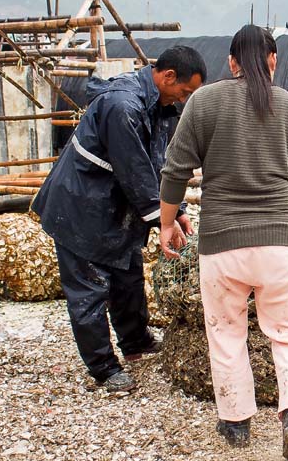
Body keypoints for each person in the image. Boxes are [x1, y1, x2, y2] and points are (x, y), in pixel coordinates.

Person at [158, 25, 288, 461]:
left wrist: (167, 224)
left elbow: (175, 171)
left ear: (230, 62)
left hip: (222, 241)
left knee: (226, 332)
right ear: (273, 61)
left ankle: (236, 423)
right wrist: (281, 215)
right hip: (282, 242)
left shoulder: (204, 101)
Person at [32, 46, 206, 394]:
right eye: (185, 92)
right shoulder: (123, 105)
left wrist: (178, 210)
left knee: (128, 274)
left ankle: (136, 342)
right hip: (80, 205)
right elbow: (136, 171)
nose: (184, 100)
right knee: (89, 289)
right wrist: (164, 221)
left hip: (113, 205)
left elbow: (159, 161)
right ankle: (104, 368)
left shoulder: (158, 104)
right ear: (168, 76)